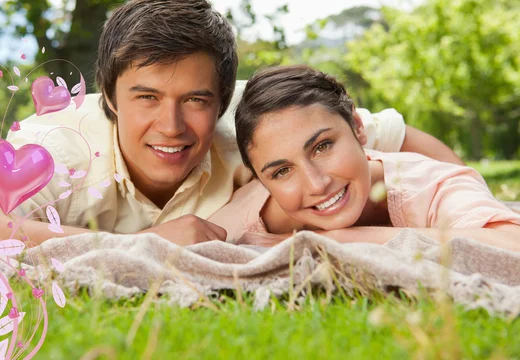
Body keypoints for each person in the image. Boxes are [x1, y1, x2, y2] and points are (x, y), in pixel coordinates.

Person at [0, 0, 462, 251]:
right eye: (146, 97)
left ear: (224, 97)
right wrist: (140, 246)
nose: (171, 125)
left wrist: (456, 206)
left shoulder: (260, 120)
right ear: (109, 95)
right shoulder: (60, 146)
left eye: (196, 100)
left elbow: (416, 145)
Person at [208, 65, 520, 251]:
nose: (317, 184)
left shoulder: (433, 185)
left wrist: (348, 239)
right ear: (262, 182)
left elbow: (511, 243)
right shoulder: (258, 215)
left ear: (358, 128)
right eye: (281, 172)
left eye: (322, 146)